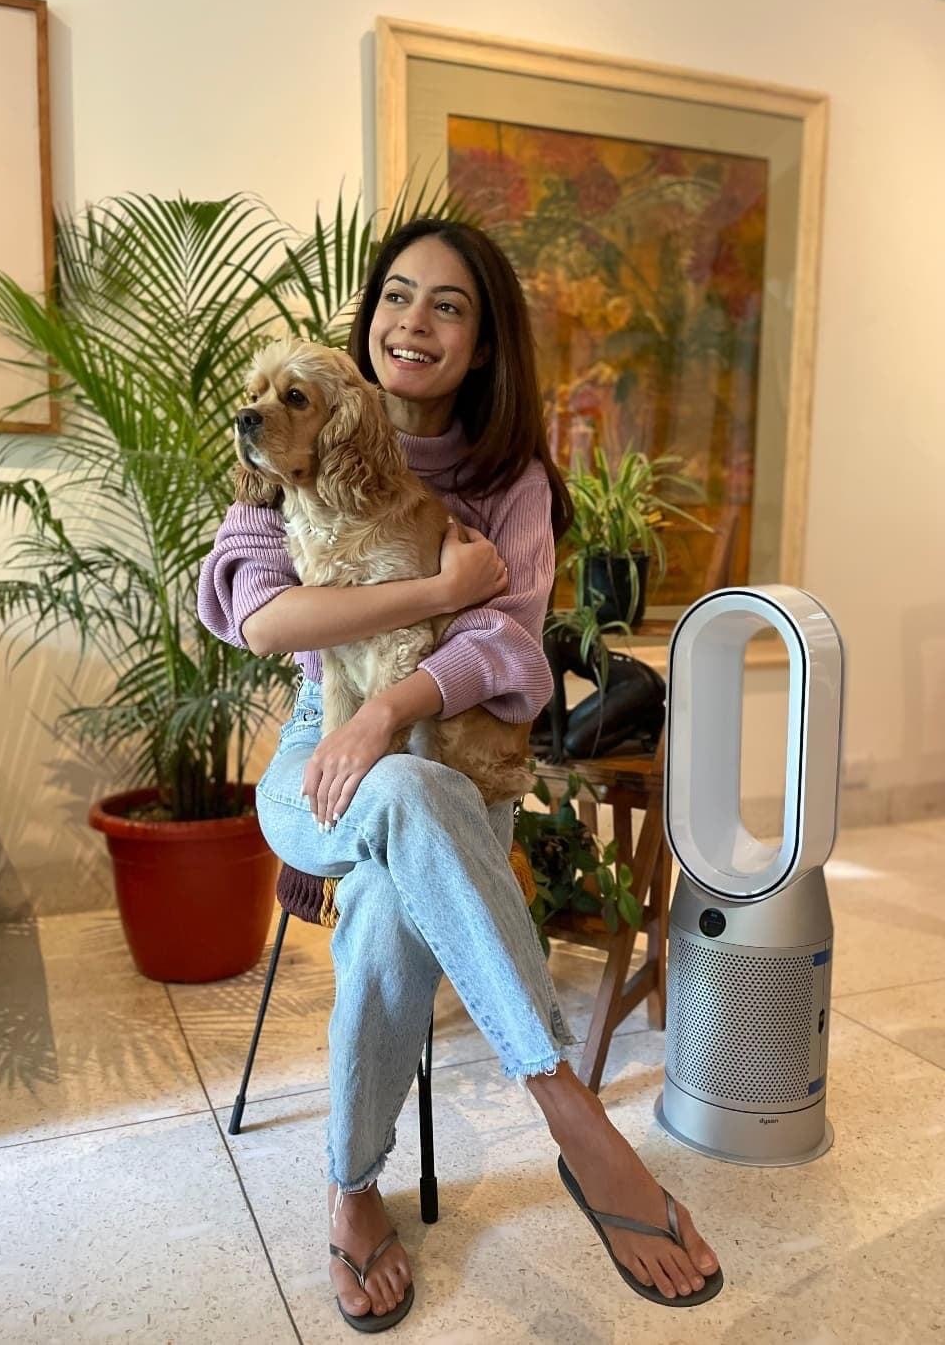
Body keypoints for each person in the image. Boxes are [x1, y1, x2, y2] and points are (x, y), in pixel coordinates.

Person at [198, 218, 722, 1330]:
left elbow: (511, 652)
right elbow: (265, 618)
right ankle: (573, 1115)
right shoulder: (284, 441)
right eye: (397, 295)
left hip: (453, 765)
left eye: (449, 306)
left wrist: (390, 708)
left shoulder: (509, 482)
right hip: (315, 750)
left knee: (392, 878)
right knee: (386, 792)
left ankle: (350, 1190)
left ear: (483, 344)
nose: (414, 322)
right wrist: (439, 594)